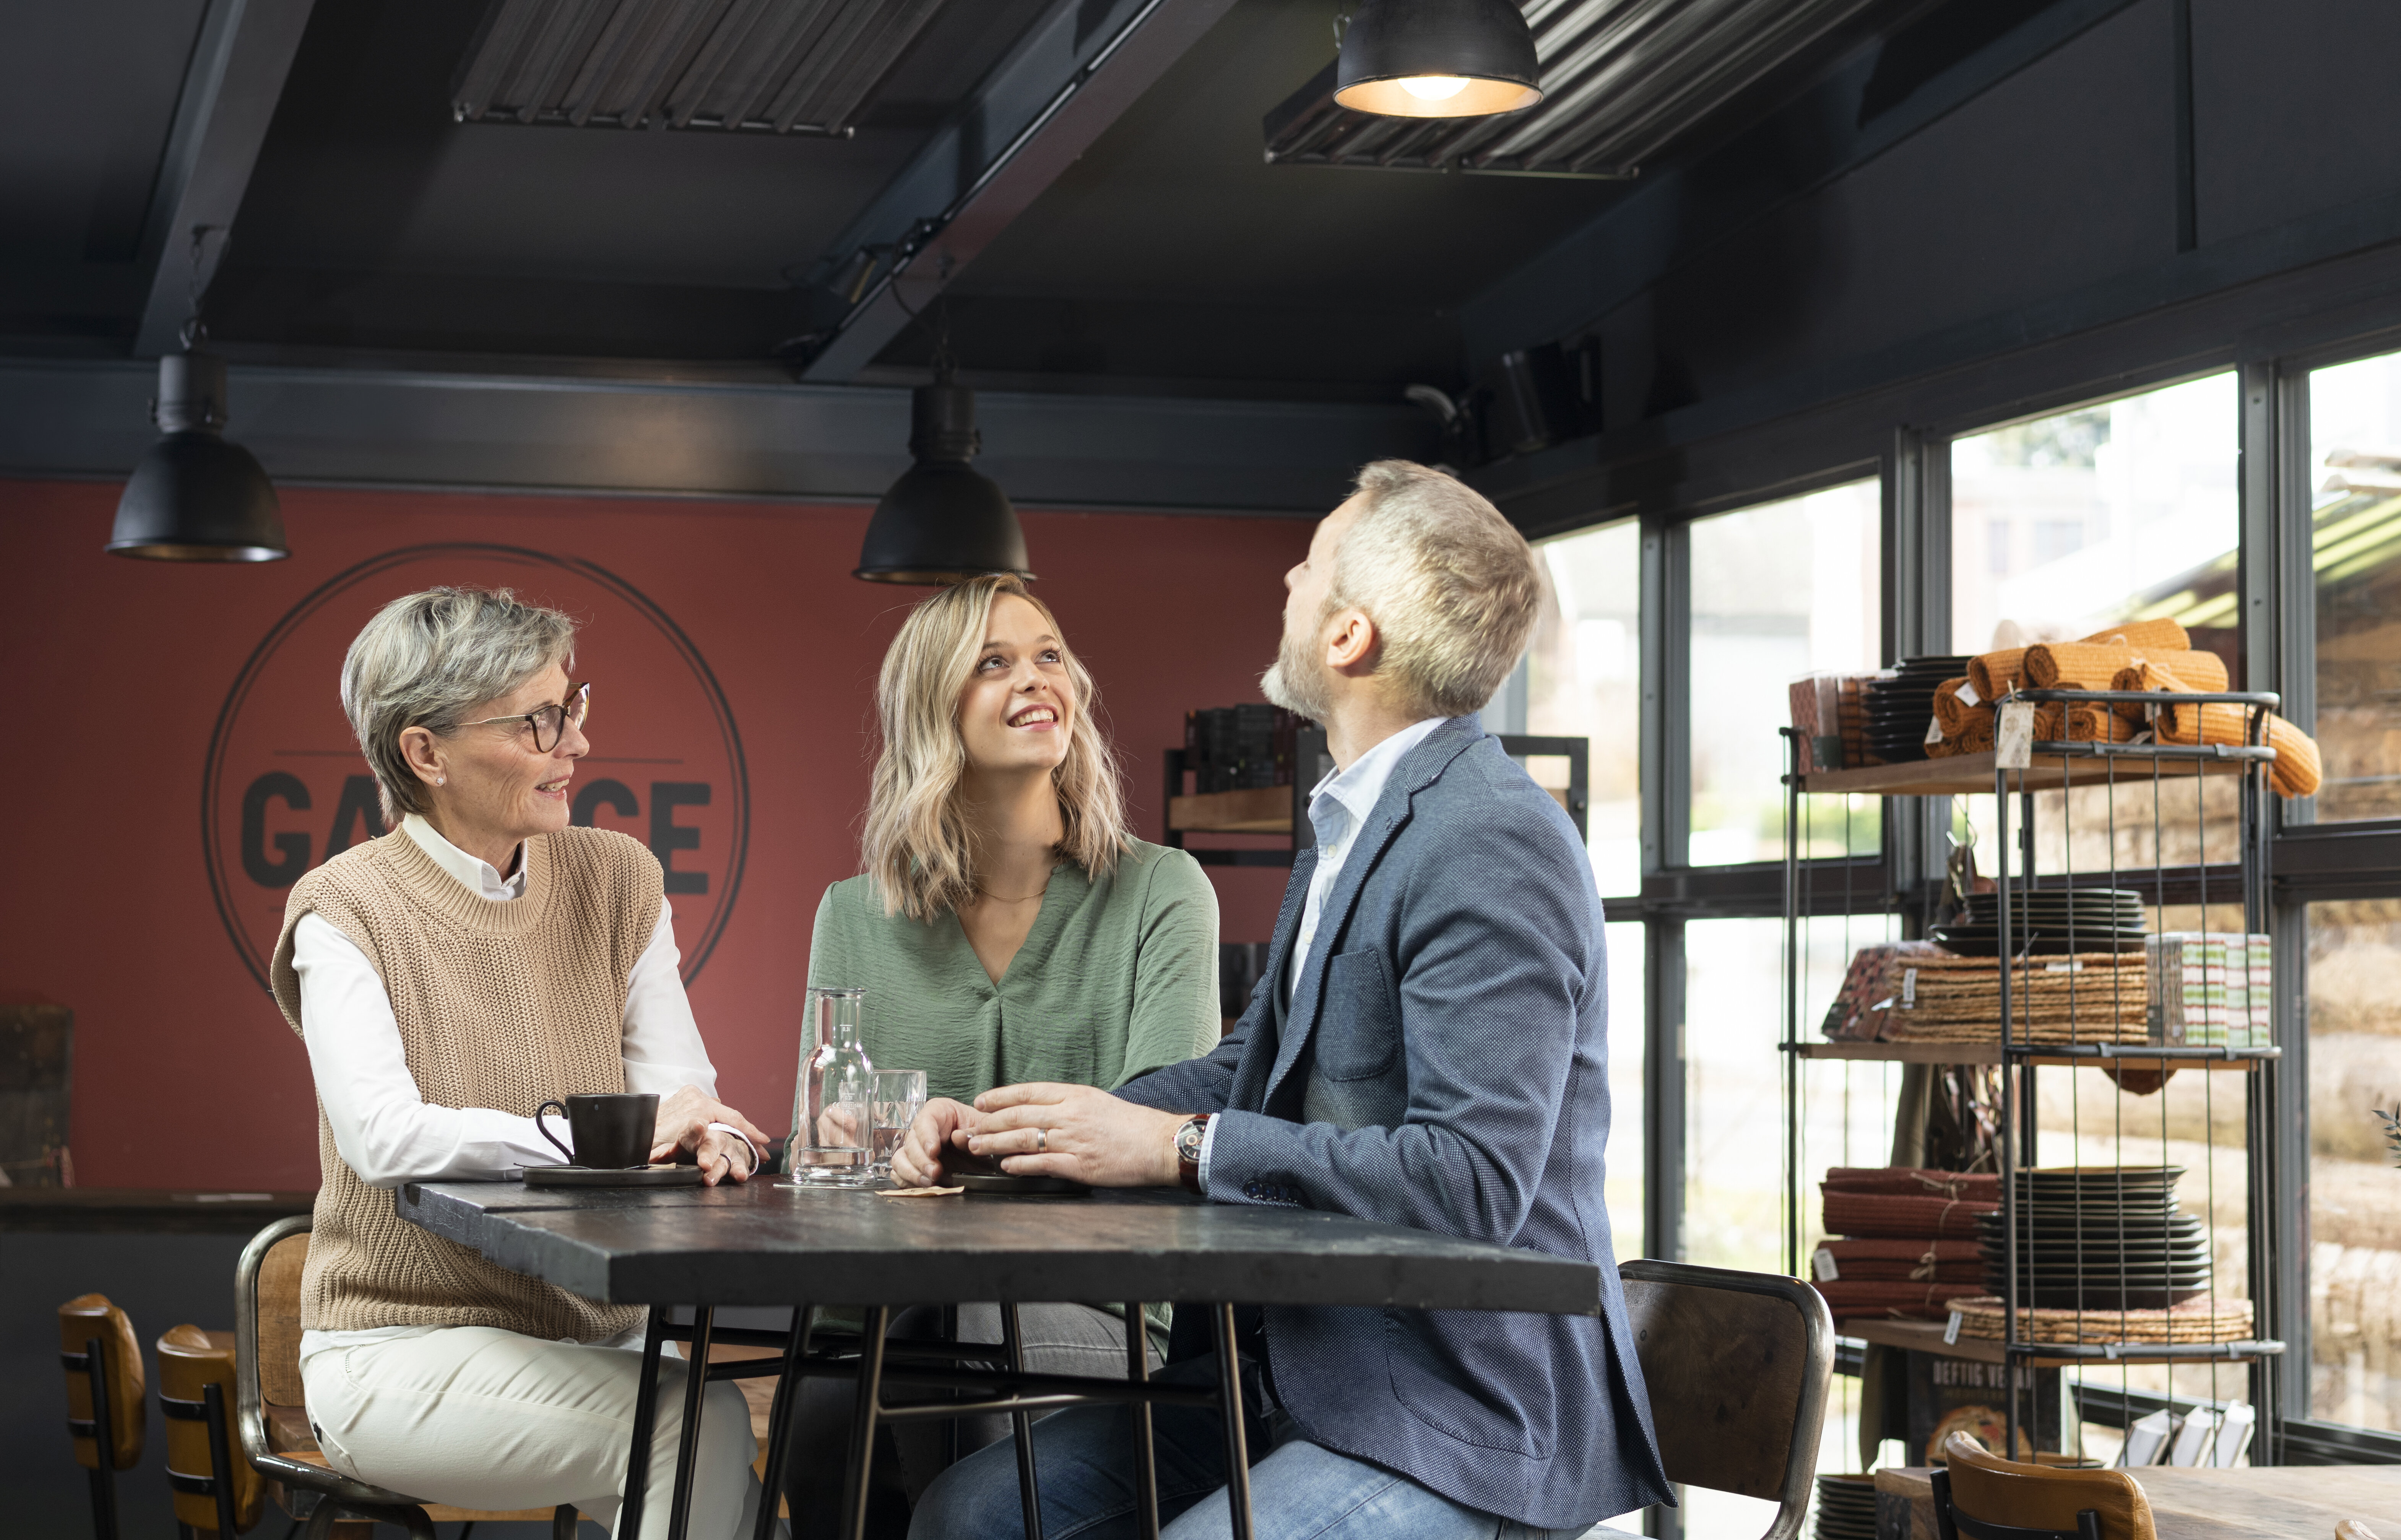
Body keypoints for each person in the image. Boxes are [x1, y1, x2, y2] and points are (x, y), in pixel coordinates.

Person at [892, 460, 1670, 1540]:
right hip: (1304, 1385)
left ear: (1348, 637)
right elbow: (1249, 1066)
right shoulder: (1361, 819)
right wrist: (1010, 1132)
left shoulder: (1488, 839)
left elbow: (1472, 1180)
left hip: (1461, 1417)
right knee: (968, 1514)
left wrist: (1183, 1146)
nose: (1288, 579)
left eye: (1307, 567)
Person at [269, 586, 771, 1539]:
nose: (575, 743)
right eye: (540, 721)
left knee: (746, 1479)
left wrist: (706, 1130)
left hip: (602, 1338)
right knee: (695, 1425)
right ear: (426, 753)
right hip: (395, 1353)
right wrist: (603, 1135)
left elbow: (677, 1094)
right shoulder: (345, 908)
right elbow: (383, 1138)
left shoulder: (618, 875)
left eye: (572, 706)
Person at [782, 573, 1221, 1531]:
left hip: (1101, 1313)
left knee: (971, 1324)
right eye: (994, 663)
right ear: (934, 710)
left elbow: (1155, 1133)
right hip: (887, 1315)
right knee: (827, 1394)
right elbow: (806, 1156)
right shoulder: (852, 913)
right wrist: (849, 1143)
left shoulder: (1164, 893)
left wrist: (949, 1141)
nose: (1037, 679)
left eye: (1049, 654)